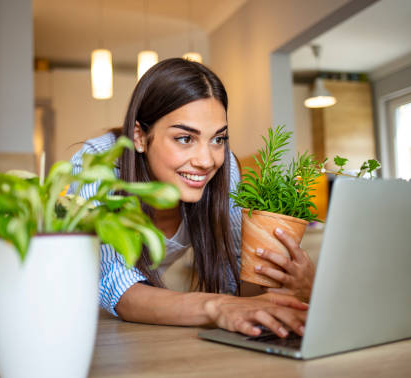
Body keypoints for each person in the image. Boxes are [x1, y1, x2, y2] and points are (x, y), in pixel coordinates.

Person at [69, 58, 315, 338]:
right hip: (72, 316)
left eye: (217, 139)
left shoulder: (224, 170)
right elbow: (116, 286)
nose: (206, 160)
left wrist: (298, 284)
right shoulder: (97, 162)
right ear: (139, 136)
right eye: (185, 138)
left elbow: (233, 279)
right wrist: (218, 307)